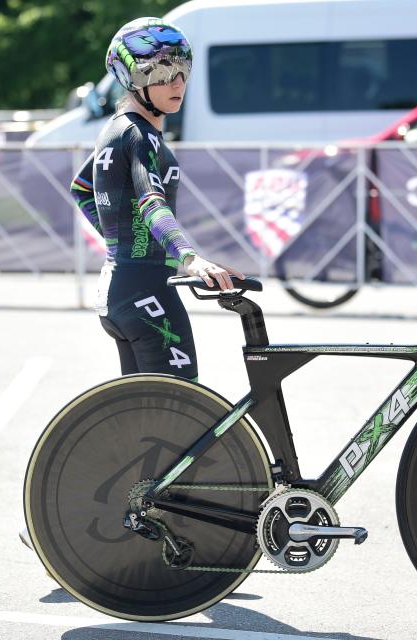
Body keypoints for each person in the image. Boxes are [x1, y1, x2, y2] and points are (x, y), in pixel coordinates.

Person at [69, 17, 243, 382]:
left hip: (121, 289)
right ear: (132, 80)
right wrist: (190, 259)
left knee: (152, 421)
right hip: (146, 292)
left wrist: (128, 244)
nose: (176, 83)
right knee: (186, 411)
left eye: (182, 71)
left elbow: (81, 188)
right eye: (161, 74)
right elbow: (152, 202)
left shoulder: (117, 129)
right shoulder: (140, 136)